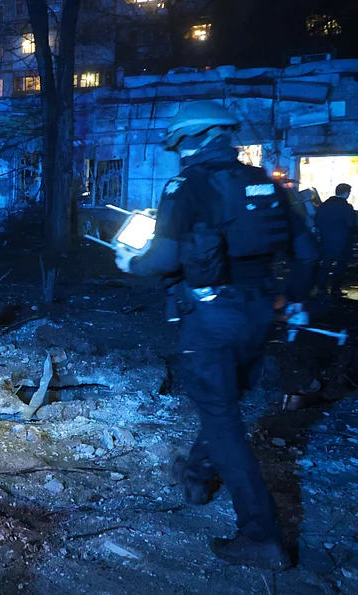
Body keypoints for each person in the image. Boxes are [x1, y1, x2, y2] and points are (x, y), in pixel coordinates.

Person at [114, 101, 316, 571]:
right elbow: (307, 251)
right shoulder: (266, 183)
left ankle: (261, 535)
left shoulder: (185, 186)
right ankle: (199, 476)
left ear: (192, 140)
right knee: (223, 403)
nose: (177, 153)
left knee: (223, 418)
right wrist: (293, 298)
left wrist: (130, 263)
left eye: (178, 144)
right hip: (260, 311)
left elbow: (162, 261)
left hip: (210, 316)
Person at [313, 183, 355, 299]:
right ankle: (335, 289)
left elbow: (317, 221)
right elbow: (351, 225)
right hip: (342, 242)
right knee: (340, 267)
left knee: (325, 266)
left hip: (326, 241)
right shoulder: (347, 208)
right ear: (346, 193)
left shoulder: (325, 205)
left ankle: (321, 289)